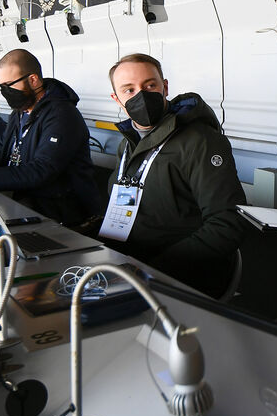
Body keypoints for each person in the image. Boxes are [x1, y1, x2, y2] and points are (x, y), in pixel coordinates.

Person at [102, 53, 247, 298]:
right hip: (129, 266)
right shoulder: (128, 144)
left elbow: (228, 223)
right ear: (117, 99)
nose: (141, 96)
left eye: (149, 85)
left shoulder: (200, 141)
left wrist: (150, 269)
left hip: (177, 277)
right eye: (129, 90)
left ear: (165, 87)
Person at [0, 50, 101, 227]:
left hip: (64, 217)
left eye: (9, 84)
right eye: (1, 86)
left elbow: (40, 171)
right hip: (27, 207)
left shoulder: (62, 114)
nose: (5, 92)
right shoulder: (19, 113)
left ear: (33, 80)